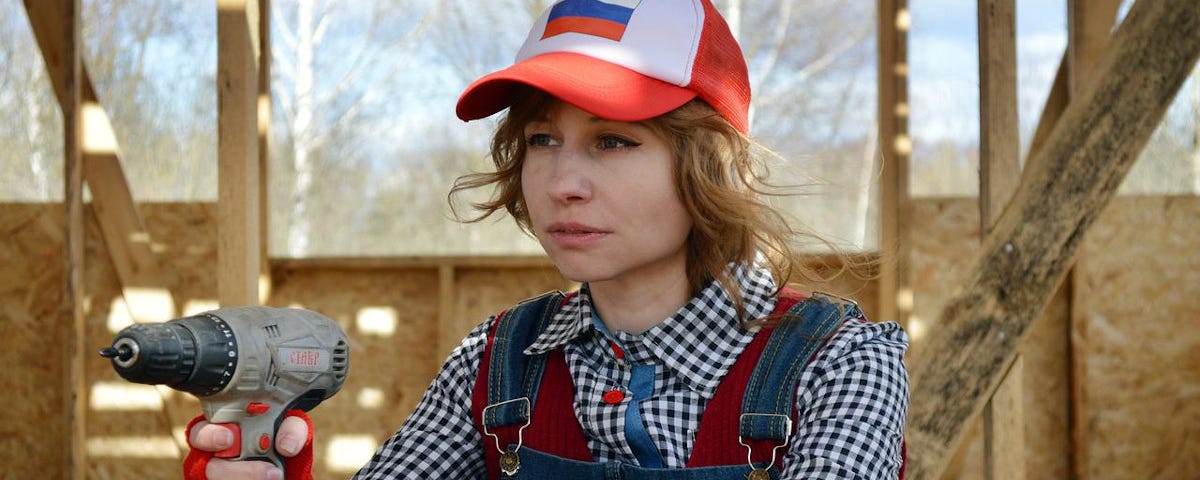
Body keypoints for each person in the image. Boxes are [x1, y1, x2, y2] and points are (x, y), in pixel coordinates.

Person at [185, 0, 908, 478]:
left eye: (613, 142)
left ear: (711, 165)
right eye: (541, 139)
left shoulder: (841, 364)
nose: (563, 181)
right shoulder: (497, 362)